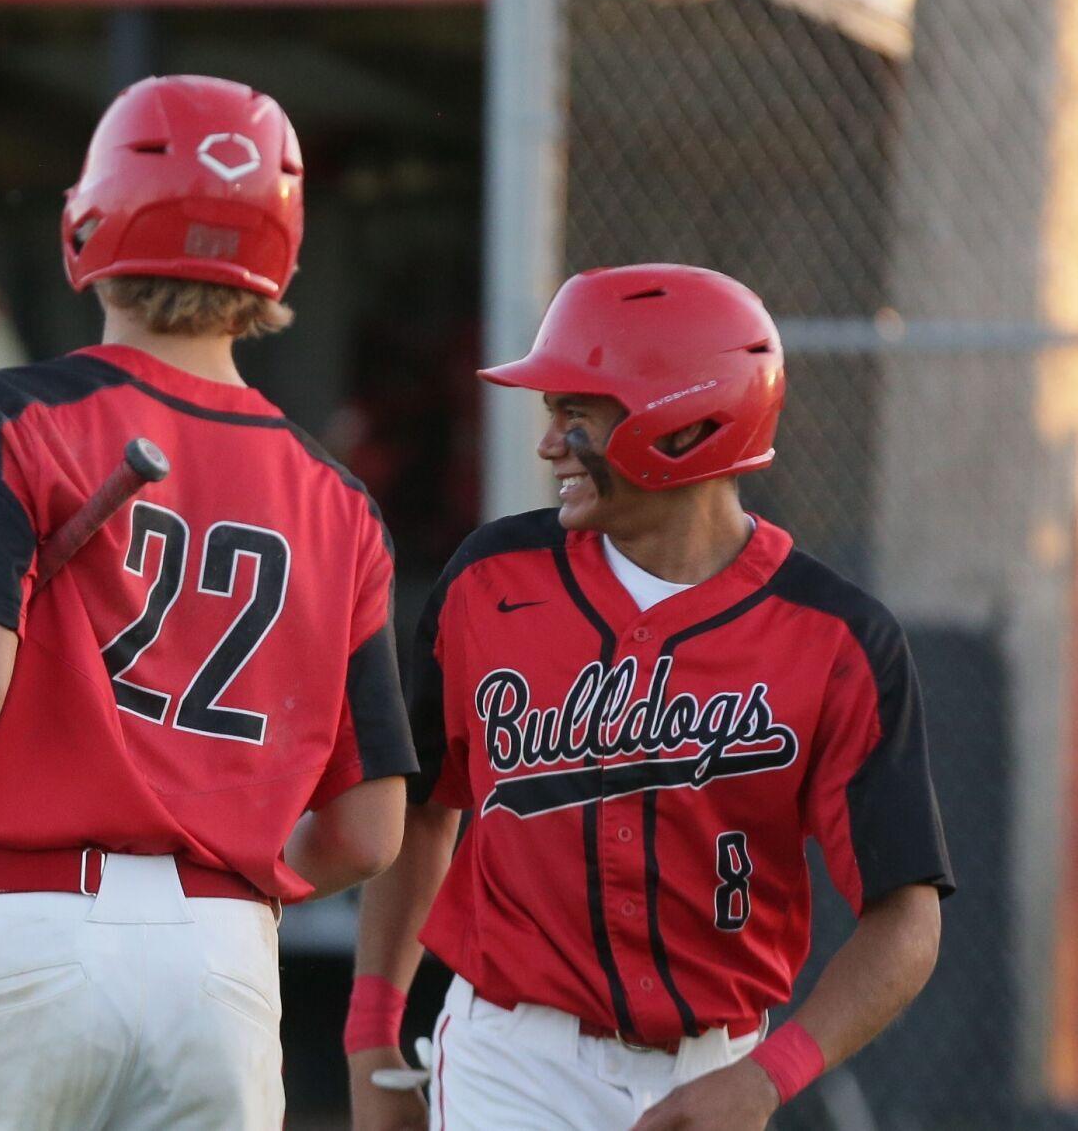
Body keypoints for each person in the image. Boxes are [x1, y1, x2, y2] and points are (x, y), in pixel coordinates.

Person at [0, 75, 417, 1131]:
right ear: (278, 256)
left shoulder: (3, 414)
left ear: (88, 224)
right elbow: (366, 831)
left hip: (19, 926)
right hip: (222, 971)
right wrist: (221, 888)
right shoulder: (341, 505)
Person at [345, 264, 953, 1131]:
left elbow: (906, 922)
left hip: (718, 1067)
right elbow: (422, 812)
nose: (548, 443)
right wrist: (374, 1033)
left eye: (575, 415)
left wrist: (767, 1078)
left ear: (684, 426)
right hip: (510, 1058)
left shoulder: (836, 638)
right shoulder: (488, 581)